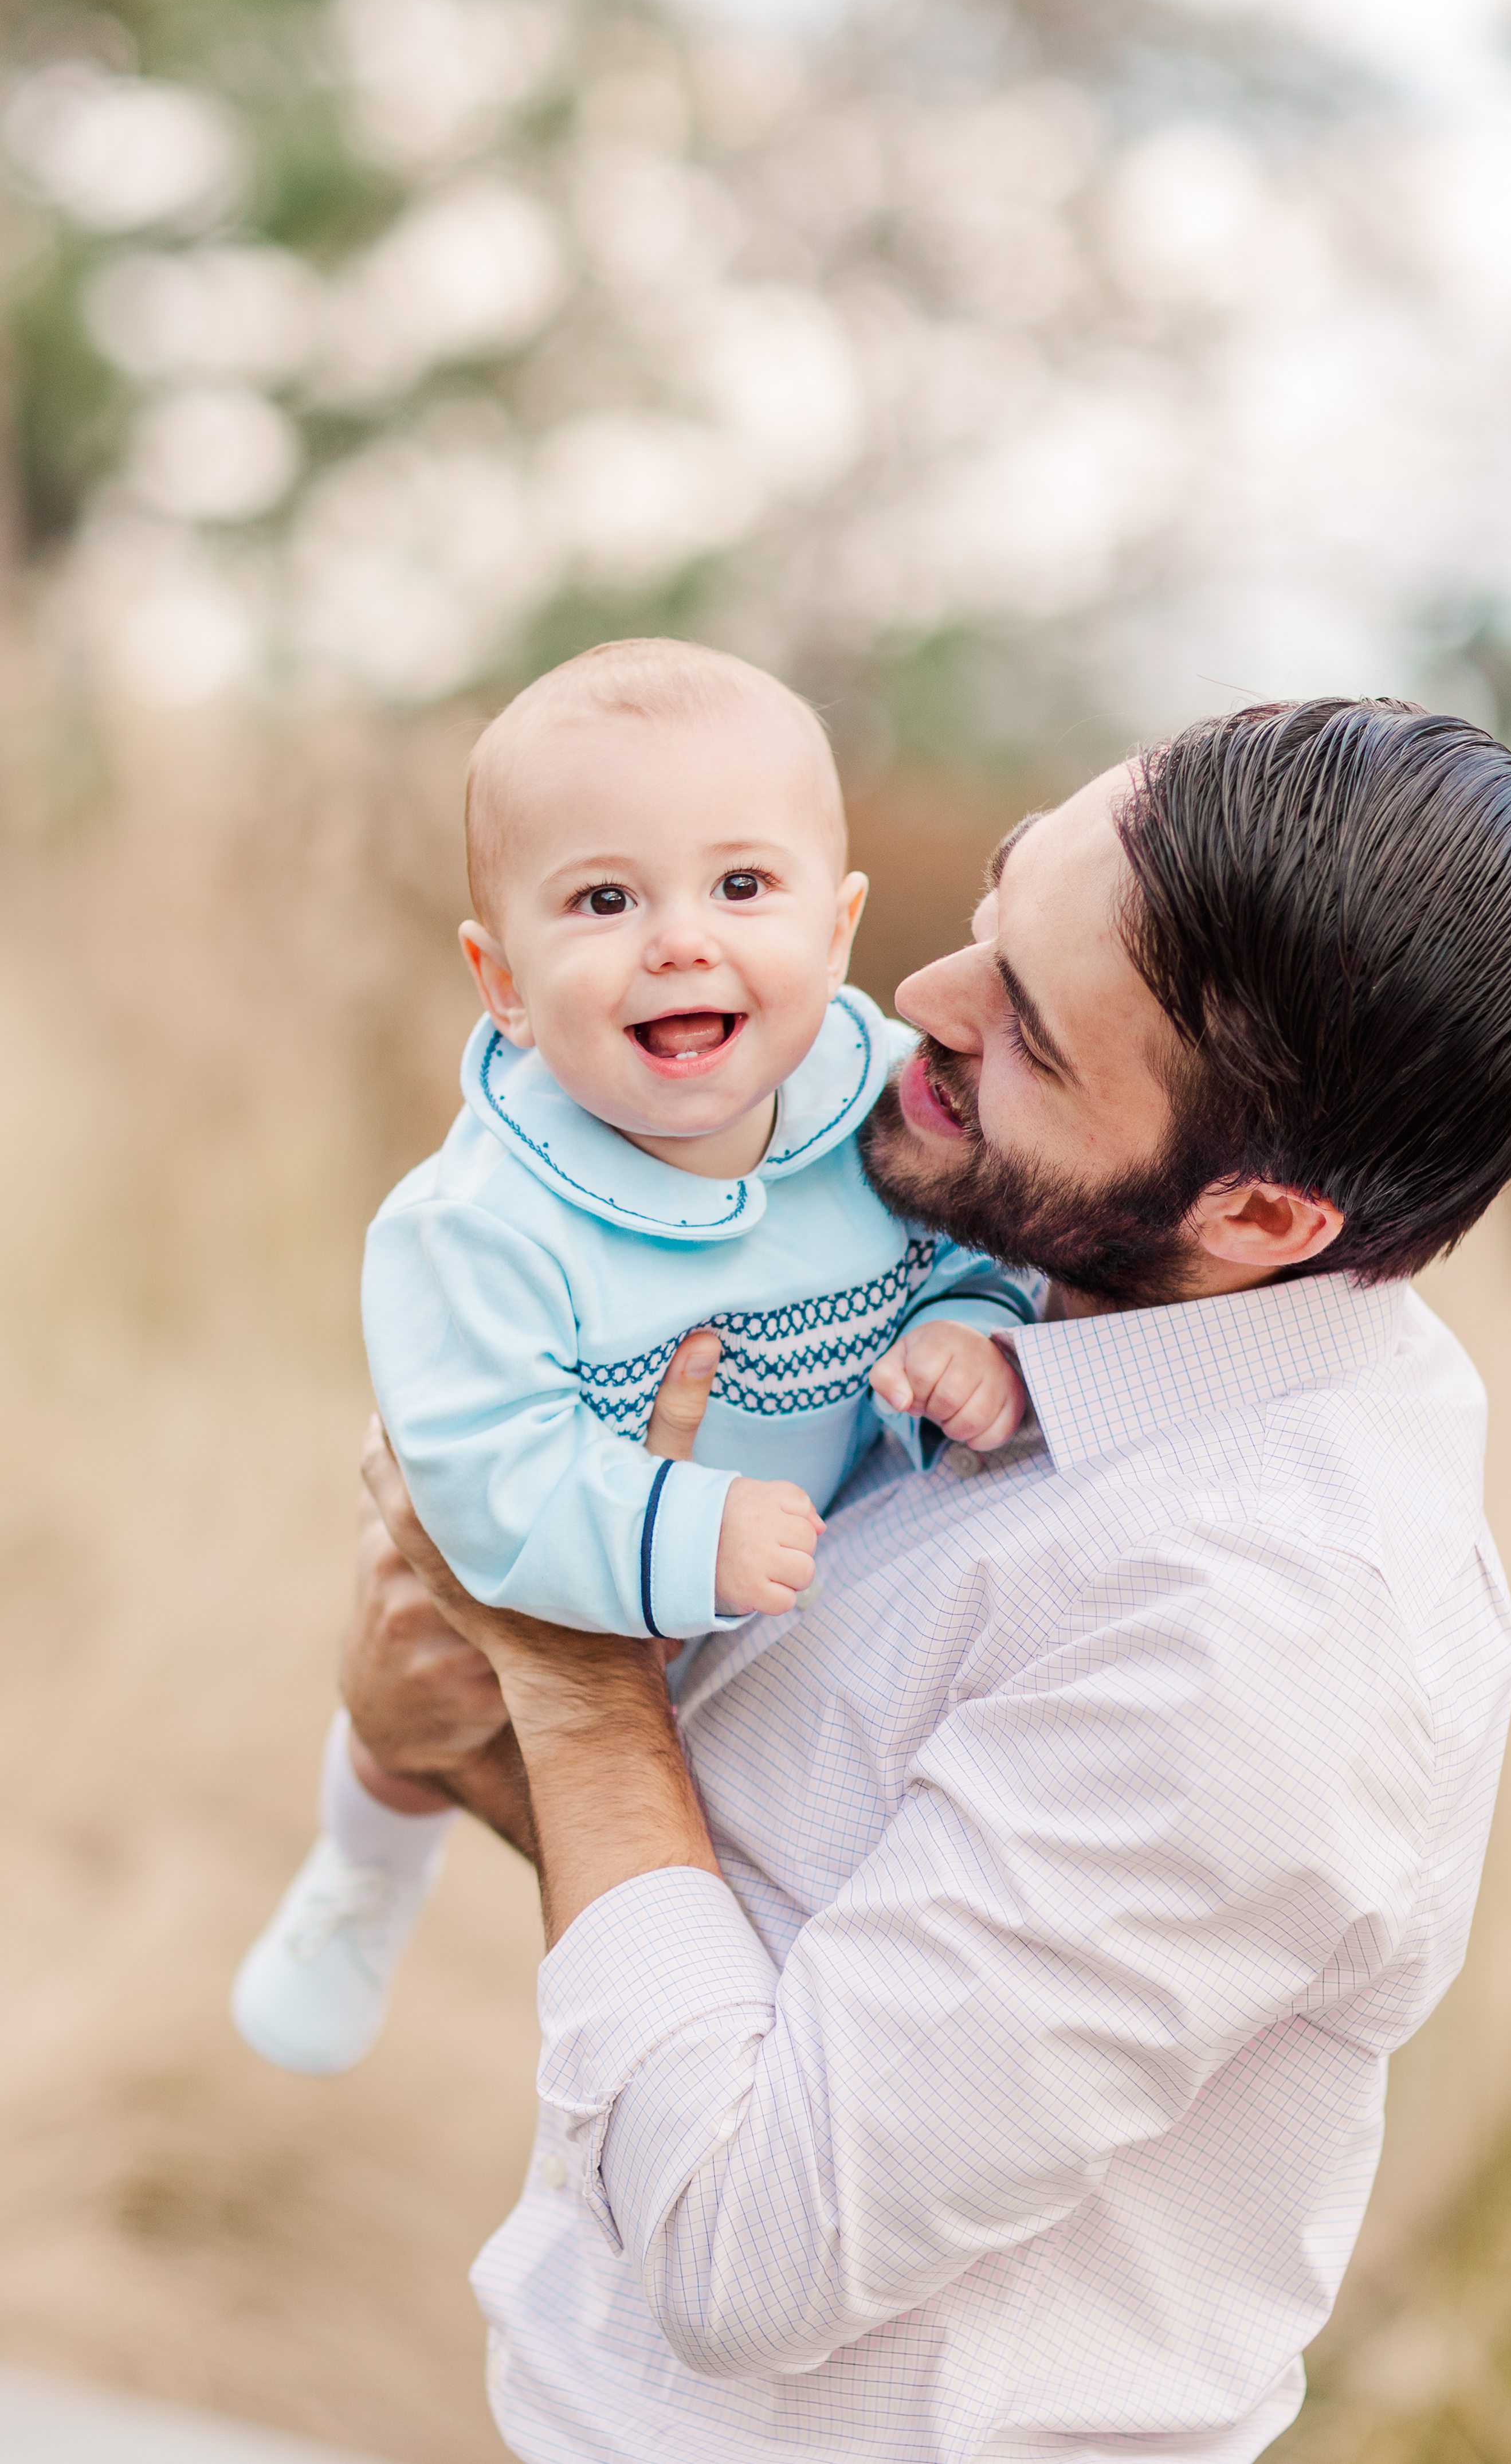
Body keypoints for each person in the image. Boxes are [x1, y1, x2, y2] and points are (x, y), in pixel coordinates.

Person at [342, 698, 1511, 2464]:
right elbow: (780, 1916)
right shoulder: (1044, 1284)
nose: (913, 1011)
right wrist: (472, 1727)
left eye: (1026, 1035)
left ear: (1258, 1220)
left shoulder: (1266, 1636)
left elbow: (746, 2242)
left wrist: (571, 1679)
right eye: (1000, 910)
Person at [231, 640, 1034, 2078]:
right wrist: (679, 1526)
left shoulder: (879, 1108)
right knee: (420, 1694)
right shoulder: (479, 1224)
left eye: (741, 887)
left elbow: (969, 1253)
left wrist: (963, 1331)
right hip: (573, 1567)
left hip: (797, 1594)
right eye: (605, 900)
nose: (679, 939)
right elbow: (480, 1476)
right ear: (505, 980)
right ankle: (363, 1865)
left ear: (837, 931)